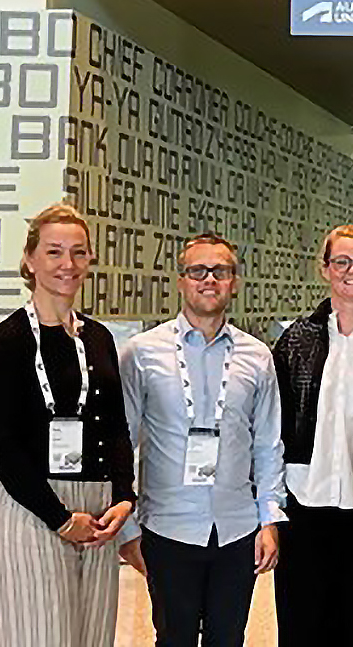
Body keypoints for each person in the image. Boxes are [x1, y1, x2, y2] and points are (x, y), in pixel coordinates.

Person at [0, 204, 136, 647]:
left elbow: (116, 424)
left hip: (97, 508)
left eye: (79, 253)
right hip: (30, 505)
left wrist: (123, 497)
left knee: (91, 637)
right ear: (29, 260)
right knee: (39, 635)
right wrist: (60, 519)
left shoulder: (98, 338)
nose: (68, 264)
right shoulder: (7, 342)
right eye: (54, 252)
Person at [118, 232, 286, 647]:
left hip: (237, 528)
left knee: (227, 637)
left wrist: (270, 520)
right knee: (173, 638)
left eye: (221, 271)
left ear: (234, 282)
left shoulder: (256, 355)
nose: (208, 280)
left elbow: (267, 443)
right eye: (198, 271)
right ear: (181, 280)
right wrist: (126, 530)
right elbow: (121, 444)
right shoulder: (142, 353)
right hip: (168, 526)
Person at [272, 224, 353, 643]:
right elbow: (273, 426)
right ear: (325, 268)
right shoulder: (297, 340)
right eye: (342, 261)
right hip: (305, 505)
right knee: (304, 625)